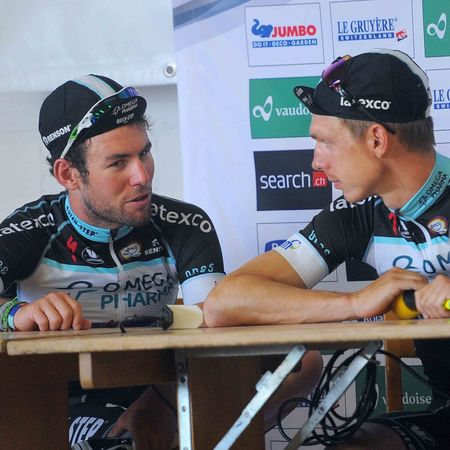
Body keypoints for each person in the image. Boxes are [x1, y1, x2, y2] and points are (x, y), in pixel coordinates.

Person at [204, 49, 450, 450]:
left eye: (324, 142)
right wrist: (355, 303)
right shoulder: (359, 216)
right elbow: (223, 302)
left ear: (376, 139)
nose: (316, 163)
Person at [0, 74, 226, 450]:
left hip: (167, 390)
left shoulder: (186, 224)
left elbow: (217, 329)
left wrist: (163, 400)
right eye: (119, 162)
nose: (142, 176)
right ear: (68, 174)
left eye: (144, 153)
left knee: (304, 365)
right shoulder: (30, 230)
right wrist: (12, 313)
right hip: (60, 401)